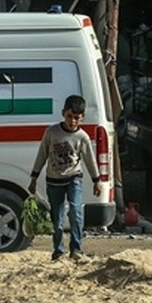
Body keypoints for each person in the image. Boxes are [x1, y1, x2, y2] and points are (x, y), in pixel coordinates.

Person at [28, 95, 102, 262]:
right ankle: (58, 250)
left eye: (76, 118)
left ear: (82, 117)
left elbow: (90, 160)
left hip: (73, 178)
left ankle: (76, 248)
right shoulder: (52, 132)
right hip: (54, 181)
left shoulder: (82, 137)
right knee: (57, 217)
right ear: (63, 113)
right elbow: (42, 154)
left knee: (76, 211)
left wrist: (96, 181)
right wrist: (34, 177)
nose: (73, 121)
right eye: (69, 116)